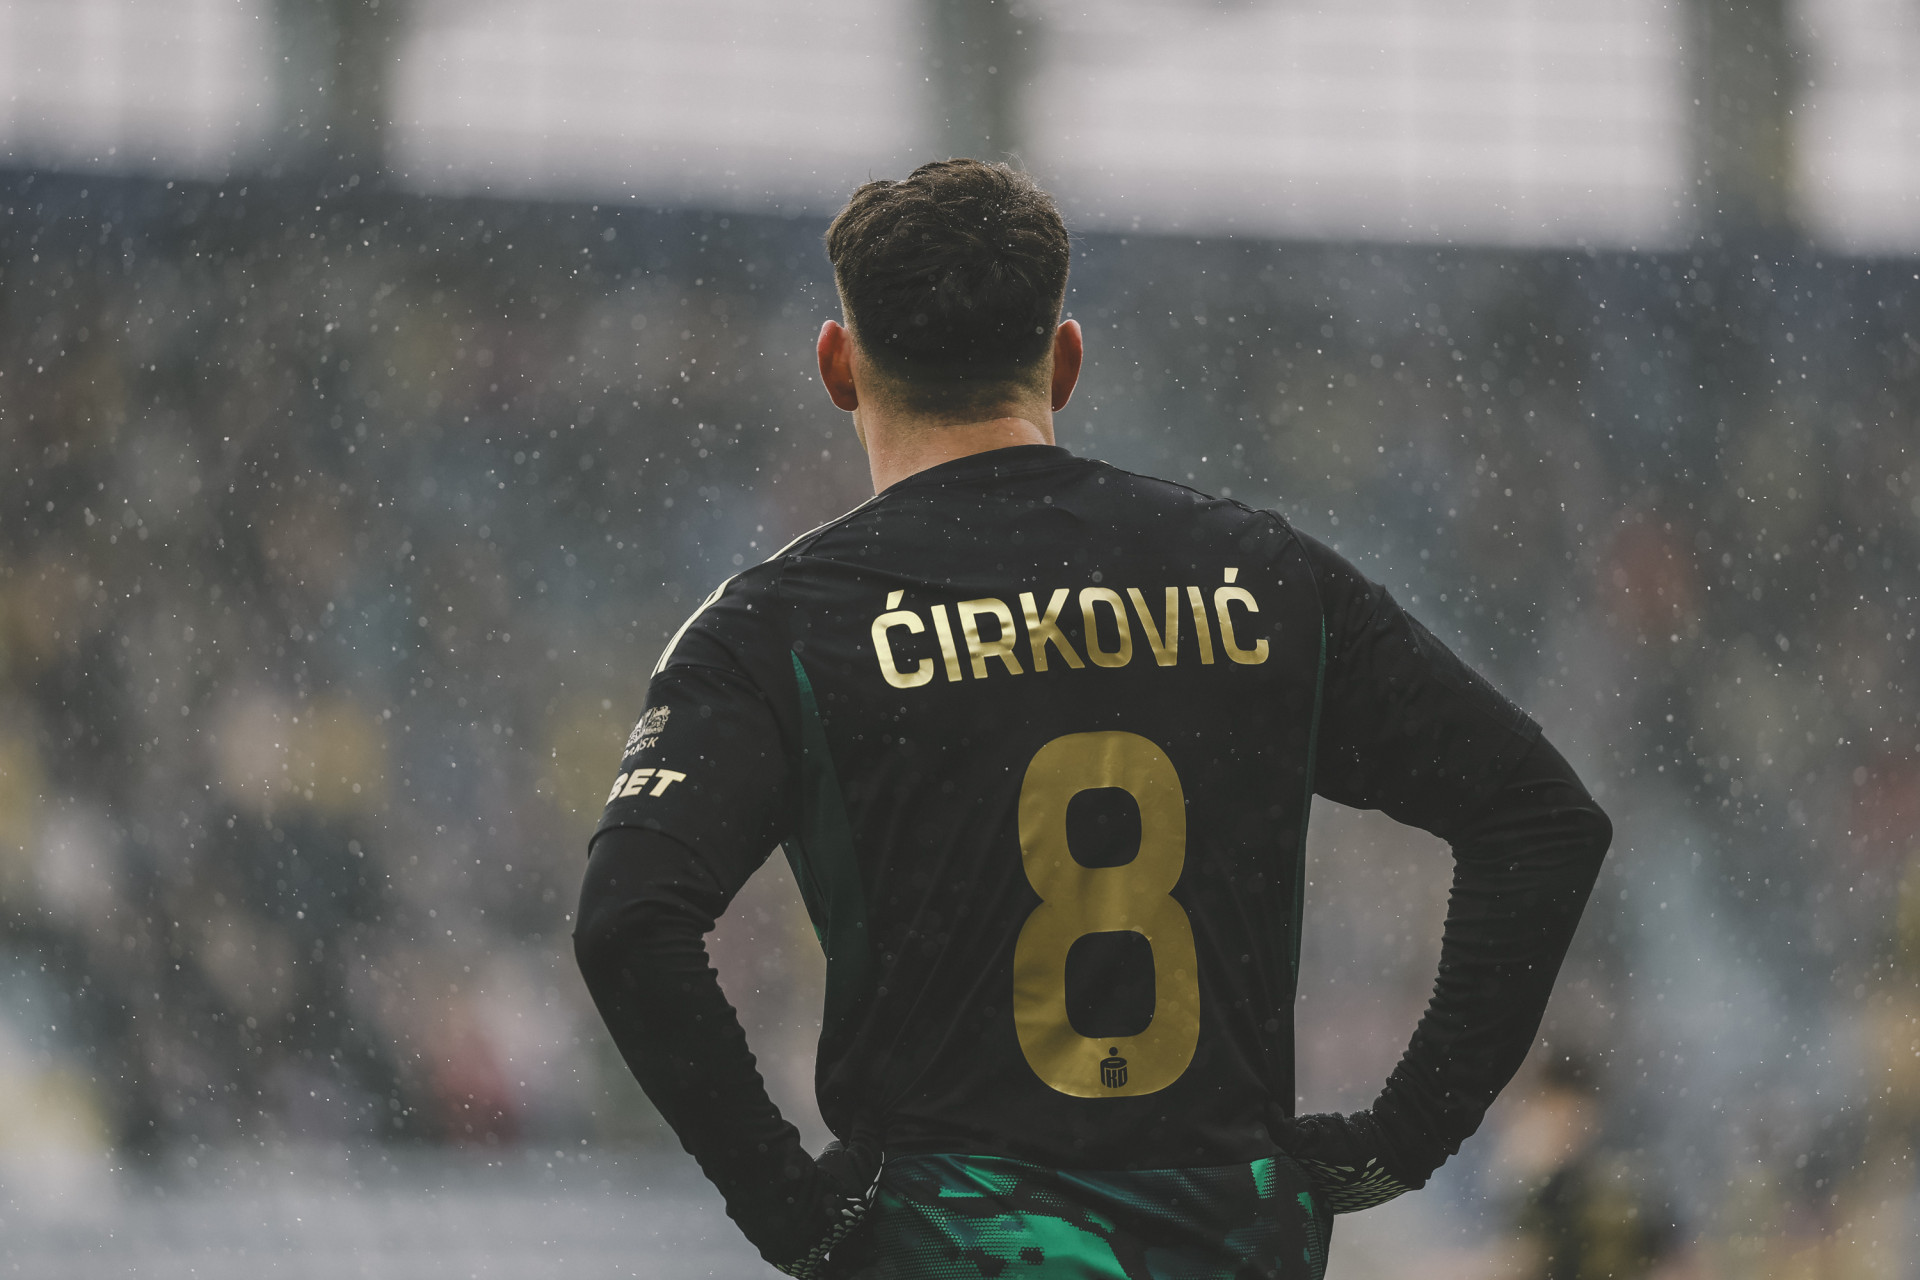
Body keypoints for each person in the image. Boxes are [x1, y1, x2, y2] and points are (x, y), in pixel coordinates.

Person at [573, 159, 1611, 1279]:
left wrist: (795, 1212)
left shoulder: (778, 627)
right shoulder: (1263, 578)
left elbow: (629, 920)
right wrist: (1399, 1140)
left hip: (953, 1243)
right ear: (1065, 360)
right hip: (1227, 1243)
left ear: (838, 365)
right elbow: (1540, 818)